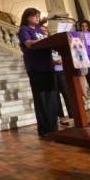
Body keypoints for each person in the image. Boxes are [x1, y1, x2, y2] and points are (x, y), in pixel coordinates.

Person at [18, 8, 59, 137]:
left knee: (52, 98)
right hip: (36, 67)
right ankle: (45, 130)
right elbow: (29, 44)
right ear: (27, 17)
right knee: (42, 99)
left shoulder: (41, 30)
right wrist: (46, 40)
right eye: (35, 16)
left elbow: (46, 47)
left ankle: (54, 127)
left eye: (38, 16)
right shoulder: (25, 29)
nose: (37, 18)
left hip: (48, 66)